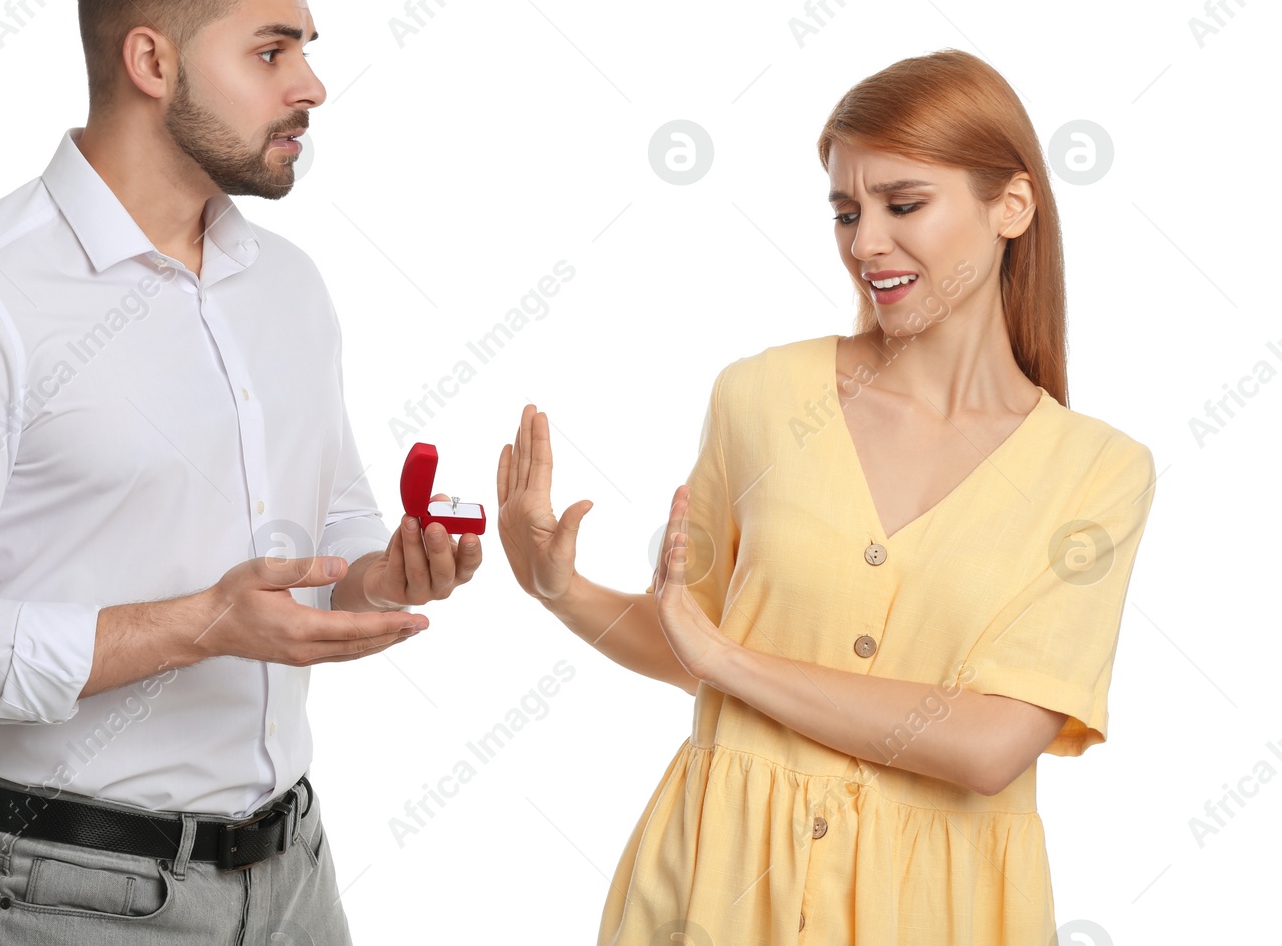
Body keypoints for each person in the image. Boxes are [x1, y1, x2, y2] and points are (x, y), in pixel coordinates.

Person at [0, 0, 481, 945]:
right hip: (72, 893)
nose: (311, 85)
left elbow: (328, 536)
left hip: (296, 875)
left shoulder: (287, 287)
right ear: (151, 61)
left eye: (305, 47)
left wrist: (381, 572)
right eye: (272, 52)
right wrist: (198, 625)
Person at [496, 50, 1158, 944]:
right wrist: (558, 588)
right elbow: (687, 633)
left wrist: (733, 664)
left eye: (903, 203)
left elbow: (989, 744)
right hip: (714, 888)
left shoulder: (1097, 471)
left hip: (936, 912)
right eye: (847, 211)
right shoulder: (763, 398)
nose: (865, 242)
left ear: (1012, 204)